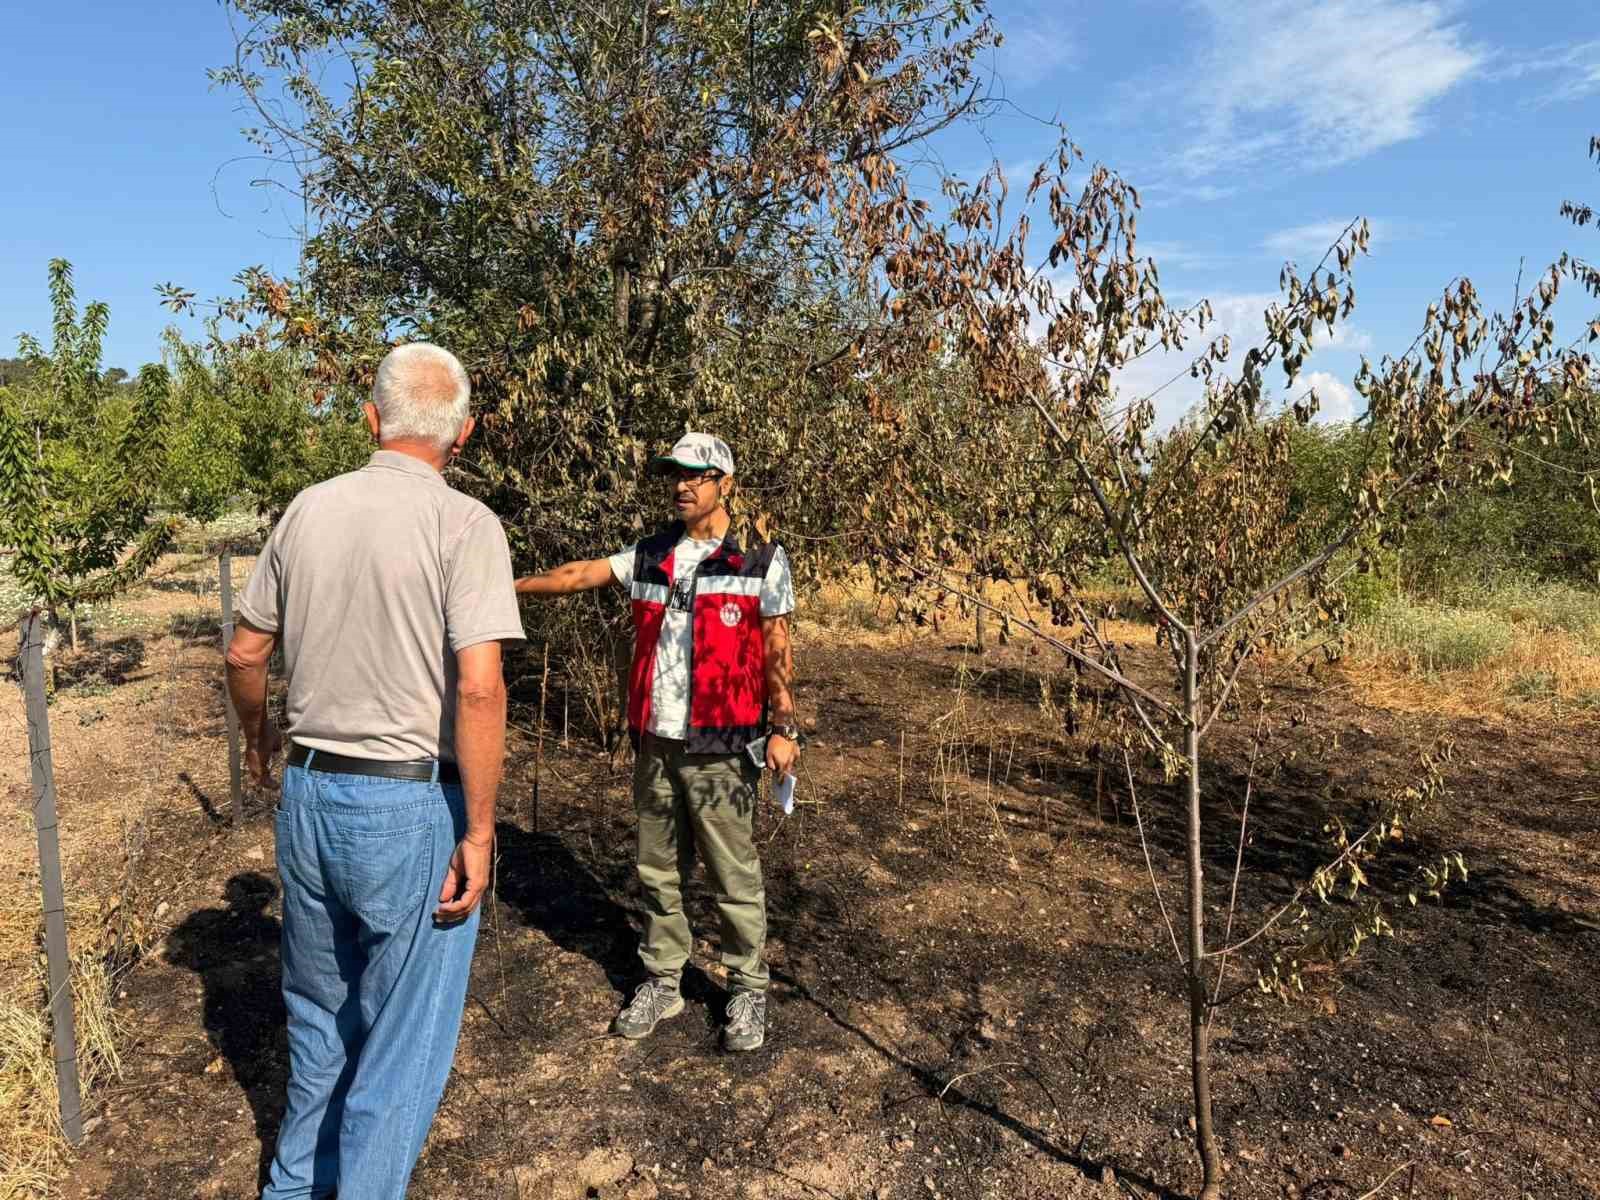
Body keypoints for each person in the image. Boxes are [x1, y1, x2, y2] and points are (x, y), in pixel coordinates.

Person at [226, 343, 525, 1199]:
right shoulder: (466, 526)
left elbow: (246, 652)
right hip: (407, 804)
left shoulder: (307, 511)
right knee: (398, 1050)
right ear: (463, 434)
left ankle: (292, 1188)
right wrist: (478, 827)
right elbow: (478, 685)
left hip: (311, 792)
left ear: (371, 419)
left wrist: (259, 739)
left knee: (319, 1020)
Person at [515, 432, 799, 1052]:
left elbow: (777, 648)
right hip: (656, 742)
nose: (681, 485)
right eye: (675, 474)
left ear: (725, 483)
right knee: (657, 868)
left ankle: (747, 987)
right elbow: (578, 575)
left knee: (732, 869)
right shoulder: (649, 555)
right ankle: (663, 978)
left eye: (696, 475)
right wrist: (506, 588)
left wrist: (784, 726)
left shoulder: (759, 559)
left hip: (724, 745)